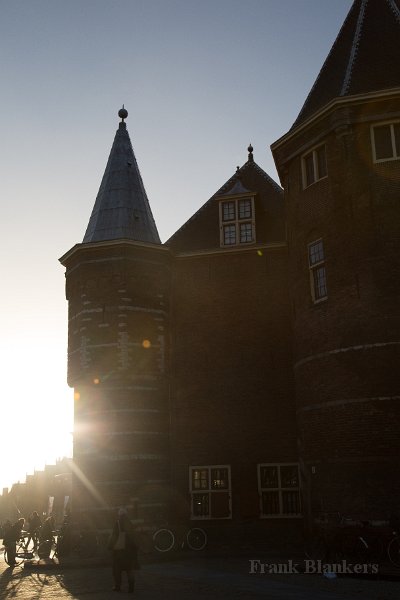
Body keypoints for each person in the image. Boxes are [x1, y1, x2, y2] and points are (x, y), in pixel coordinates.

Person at [108, 508, 139, 593]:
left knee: (117, 569)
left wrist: (110, 546)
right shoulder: (130, 523)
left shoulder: (117, 523)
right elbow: (134, 537)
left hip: (119, 551)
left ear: (119, 515)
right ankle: (131, 586)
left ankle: (117, 586)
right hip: (129, 551)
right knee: (130, 569)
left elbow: (114, 536)